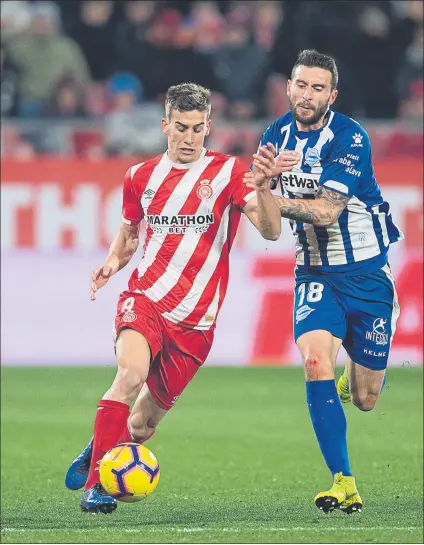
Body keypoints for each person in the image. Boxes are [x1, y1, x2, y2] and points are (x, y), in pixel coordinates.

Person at [65, 82, 284, 514]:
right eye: (181, 128)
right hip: (145, 301)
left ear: (209, 127)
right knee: (129, 375)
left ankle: (100, 444)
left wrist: (263, 189)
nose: (189, 138)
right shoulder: (140, 177)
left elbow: (272, 231)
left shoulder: (229, 173)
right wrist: (111, 264)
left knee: (142, 426)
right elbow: (129, 235)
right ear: (166, 125)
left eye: (198, 129)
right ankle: (97, 487)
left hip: (197, 323)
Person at [245, 49, 403, 514]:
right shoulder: (275, 135)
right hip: (314, 273)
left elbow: (327, 212)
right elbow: (272, 230)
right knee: (315, 359)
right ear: (289, 87)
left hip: (368, 276)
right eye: (301, 85)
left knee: (366, 398)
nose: (308, 95)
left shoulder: (350, 138)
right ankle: (344, 481)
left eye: (319, 88)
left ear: (332, 95)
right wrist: (257, 190)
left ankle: (348, 385)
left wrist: (268, 193)